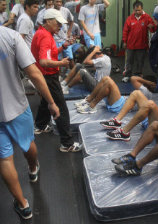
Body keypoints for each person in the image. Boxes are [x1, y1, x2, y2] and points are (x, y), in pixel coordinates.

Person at [0, 26, 59, 219]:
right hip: (17, 106)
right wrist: (51, 102)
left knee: (4, 159)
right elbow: (34, 73)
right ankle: (33, 169)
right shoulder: (10, 36)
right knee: (28, 142)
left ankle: (24, 205)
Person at [31, 8, 80, 152]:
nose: (60, 26)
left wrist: (63, 47)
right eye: (58, 23)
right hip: (48, 76)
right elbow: (45, 61)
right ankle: (67, 143)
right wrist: (61, 63)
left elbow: (50, 54)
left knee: (46, 100)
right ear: (48, 21)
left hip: (43, 75)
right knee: (61, 108)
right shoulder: (46, 36)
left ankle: (39, 126)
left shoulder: (43, 33)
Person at [122, 1, 156, 79]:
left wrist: (152, 26)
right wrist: (124, 41)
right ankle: (127, 75)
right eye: (136, 10)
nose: (137, 12)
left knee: (140, 61)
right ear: (133, 10)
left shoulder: (147, 17)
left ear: (142, 9)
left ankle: (138, 75)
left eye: (139, 10)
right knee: (129, 61)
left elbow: (153, 29)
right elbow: (125, 31)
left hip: (142, 45)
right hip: (131, 44)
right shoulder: (130, 18)